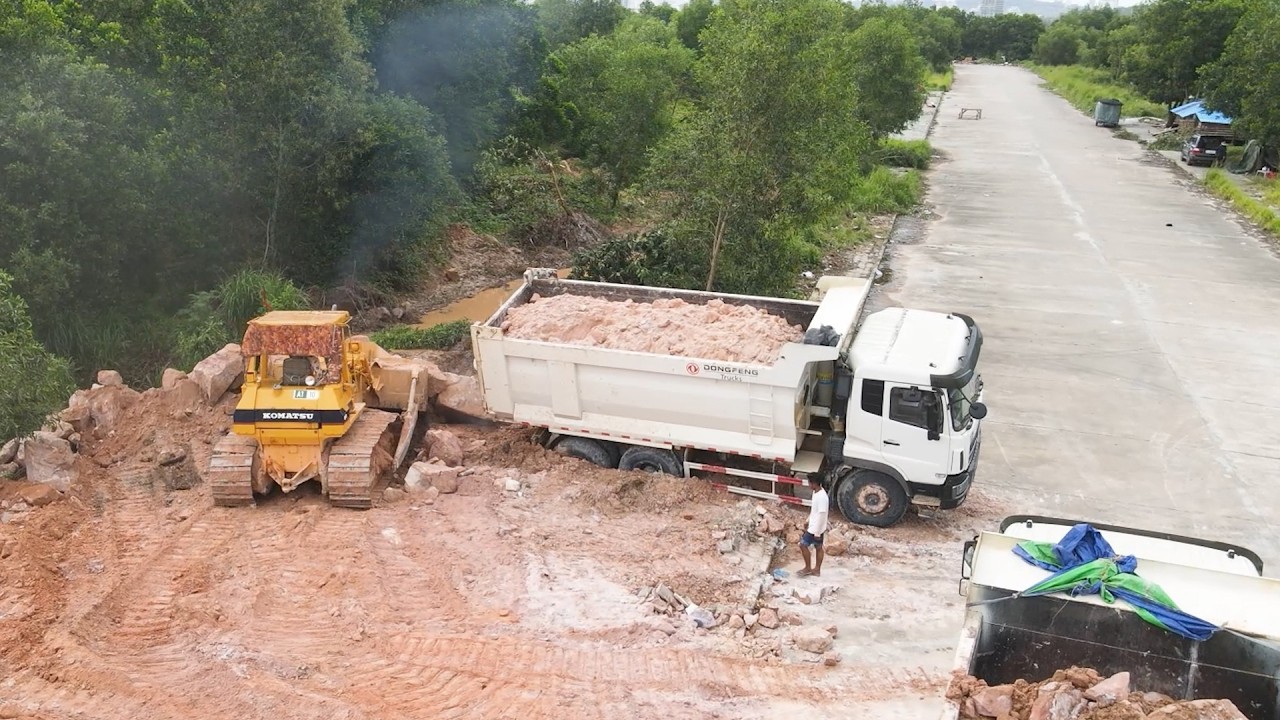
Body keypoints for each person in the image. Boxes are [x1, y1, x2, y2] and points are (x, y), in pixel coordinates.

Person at [798, 476, 829, 577]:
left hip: (816, 528)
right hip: (814, 525)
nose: (808, 485)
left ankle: (808, 568)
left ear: (814, 483)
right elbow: (814, 511)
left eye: (809, 483)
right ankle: (816, 570)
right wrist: (808, 520)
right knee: (818, 547)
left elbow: (822, 515)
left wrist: (817, 532)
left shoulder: (822, 497)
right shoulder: (816, 493)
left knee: (803, 545)